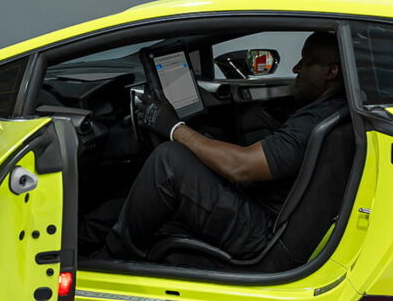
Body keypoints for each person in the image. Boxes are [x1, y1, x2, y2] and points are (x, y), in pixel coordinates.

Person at [101, 31, 346, 262]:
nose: (295, 69)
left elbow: (241, 167)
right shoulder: (331, 110)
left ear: (331, 72)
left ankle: (112, 258)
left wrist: (174, 128)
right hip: (271, 214)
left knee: (169, 160)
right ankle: (96, 237)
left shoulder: (313, 123)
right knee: (124, 204)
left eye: (305, 62)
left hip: (264, 235)